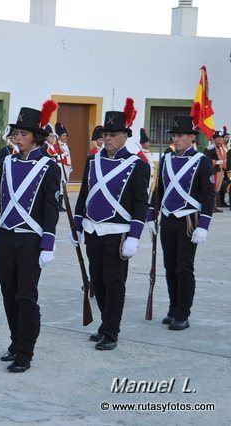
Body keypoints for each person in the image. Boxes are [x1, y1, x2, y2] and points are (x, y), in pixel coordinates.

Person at [0, 101, 60, 372]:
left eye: (22, 134)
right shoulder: (7, 162)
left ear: (36, 138)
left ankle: (25, 351)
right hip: (6, 236)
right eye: (15, 133)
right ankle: (15, 341)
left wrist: (48, 243)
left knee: (26, 296)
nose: (17, 138)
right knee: (7, 291)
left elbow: (51, 207)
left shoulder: (49, 167)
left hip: (30, 238)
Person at [71, 99, 150, 351]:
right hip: (94, 230)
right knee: (98, 280)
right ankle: (105, 324)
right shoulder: (93, 161)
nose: (107, 139)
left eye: (113, 135)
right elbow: (84, 194)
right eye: (105, 134)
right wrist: (78, 223)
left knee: (114, 282)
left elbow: (141, 203)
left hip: (118, 233)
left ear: (125, 136)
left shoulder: (137, 165)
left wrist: (134, 236)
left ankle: (111, 331)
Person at [147, 115, 214, 330]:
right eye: (174, 135)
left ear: (192, 137)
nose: (176, 139)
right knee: (169, 265)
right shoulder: (167, 159)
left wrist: (203, 225)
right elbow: (159, 190)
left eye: (180, 135)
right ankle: (173, 306)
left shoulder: (201, 161)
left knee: (184, 268)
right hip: (168, 218)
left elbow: (208, 196)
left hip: (188, 220)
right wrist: (151, 215)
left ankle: (183, 313)